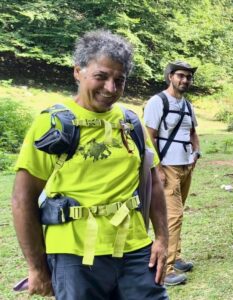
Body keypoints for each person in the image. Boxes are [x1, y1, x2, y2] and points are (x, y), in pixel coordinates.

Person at [11, 30, 169, 298]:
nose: (111, 88)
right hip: (75, 256)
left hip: (134, 250)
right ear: (78, 72)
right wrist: (37, 268)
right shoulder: (53, 124)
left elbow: (153, 181)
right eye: (101, 76)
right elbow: (22, 199)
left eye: (119, 80)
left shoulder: (130, 122)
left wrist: (162, 239)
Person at [144, 61, 201, 285]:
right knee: (173, 217)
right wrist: (157, 168)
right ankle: (165, 269)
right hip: (167, 167)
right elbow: (149, 136)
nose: (185, 80)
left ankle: (175, 258)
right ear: (170, 76)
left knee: (178, 214)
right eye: (180, 75)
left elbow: (193, 132)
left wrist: (196, 153)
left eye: (188, 77)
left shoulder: (187, 105)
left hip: (186, 166)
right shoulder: (157, 102)